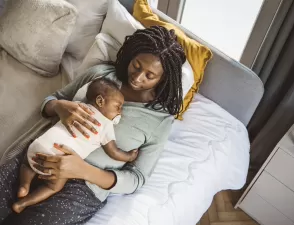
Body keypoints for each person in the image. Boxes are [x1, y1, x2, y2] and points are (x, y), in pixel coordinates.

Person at [0, 26, 186, 225]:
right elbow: (52, 100)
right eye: (136, 65)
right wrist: (59, 106)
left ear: (163, 79)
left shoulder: (159, 121)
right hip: (43, 152)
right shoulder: (100, 75)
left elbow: (137, 178)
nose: (138, 77)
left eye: (150, 76)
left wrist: (82, 170)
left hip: (84, 187)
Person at [12, 78, 139, 214]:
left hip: (38, 147)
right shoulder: (106, 126)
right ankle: (23, 203)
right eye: (118, 107)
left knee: (27, 163)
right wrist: (129, 156)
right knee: (53, 187)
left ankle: (24, 185)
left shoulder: (77, 106)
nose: (120, 112)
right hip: (59, 163)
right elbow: (113, 152)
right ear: (100, 101)